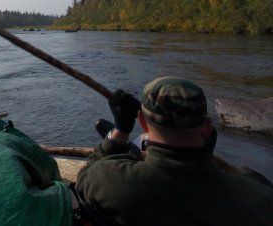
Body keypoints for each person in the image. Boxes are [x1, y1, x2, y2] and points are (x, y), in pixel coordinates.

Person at [75, 77, 273, 226]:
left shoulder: (111, 182)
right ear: (207, 128)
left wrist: (119, 133)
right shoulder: (257, 198)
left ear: (143, 123)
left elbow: (85, 178)